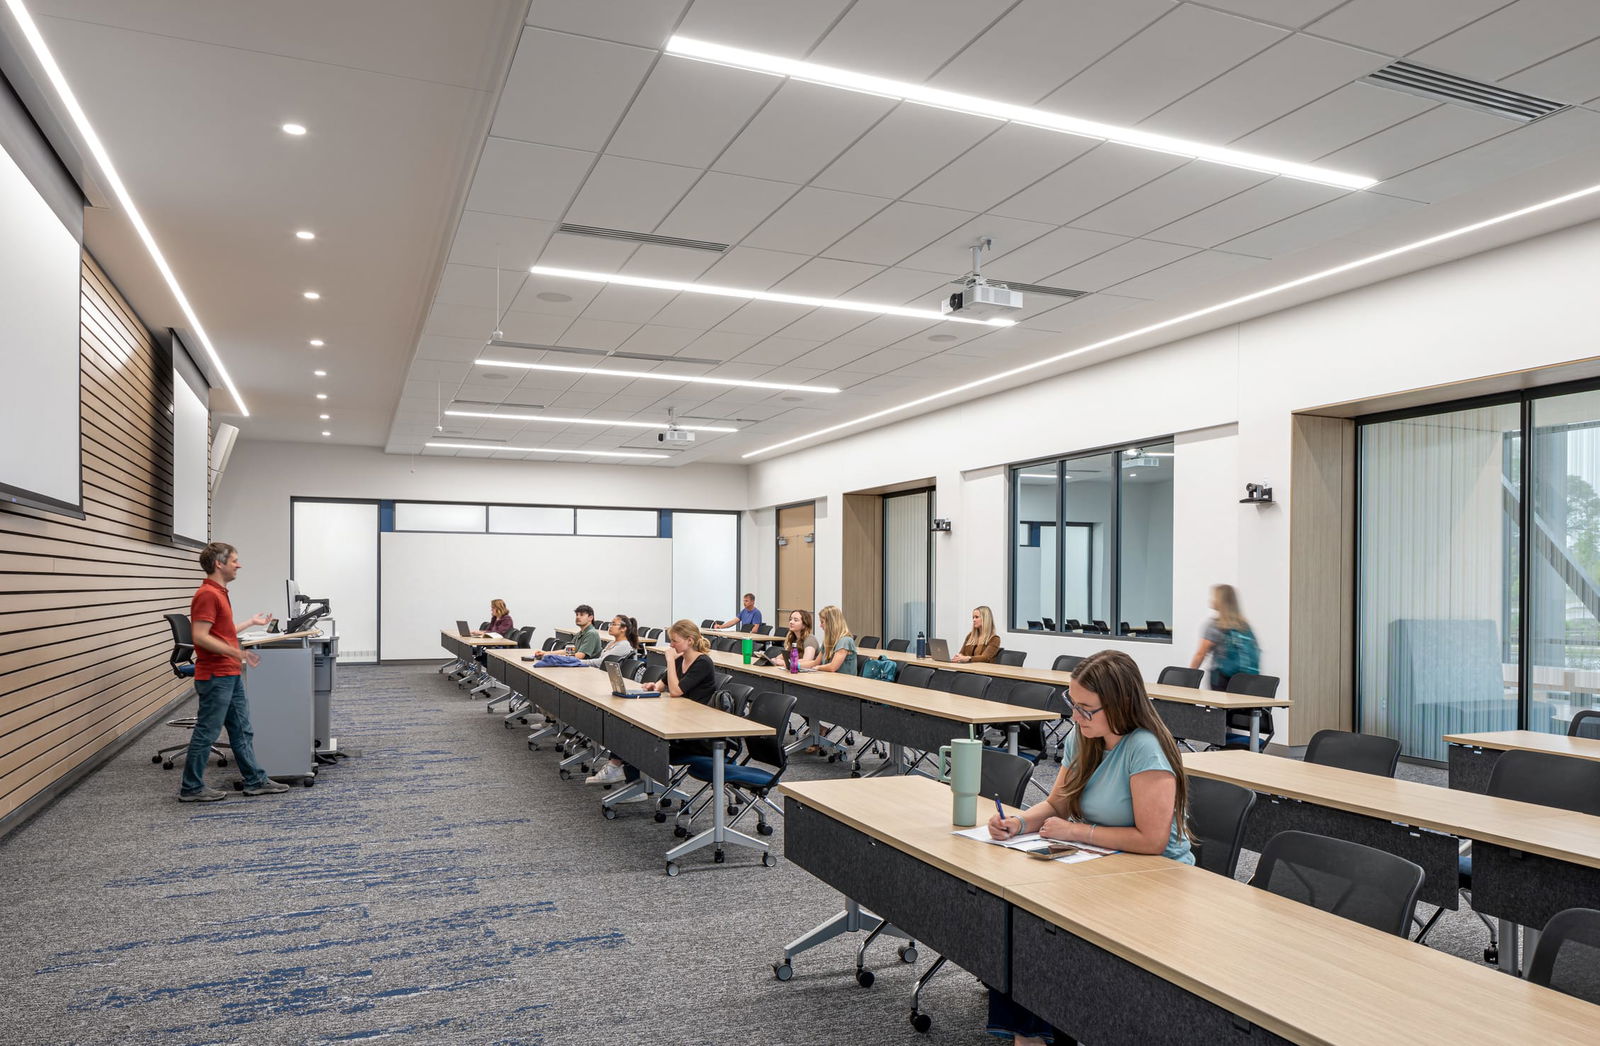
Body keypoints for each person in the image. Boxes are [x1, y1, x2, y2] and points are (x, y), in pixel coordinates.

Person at [984, 649, 1192, 1043]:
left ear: (1119, 704)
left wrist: (1078, 833)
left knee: (1053, 937)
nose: (1075, 718)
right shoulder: (1086, 737)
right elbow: (1059, 802)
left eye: (1085, 709)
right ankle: (1032, 1035)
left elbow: (1153, 840)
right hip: (1105, 863)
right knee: (1024, 922)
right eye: (1072, 705)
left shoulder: (1145, 748)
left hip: (1158, 880)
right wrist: (1020, 822)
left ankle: (1046, 1030)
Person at [179, 542, 292, 802]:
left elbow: (222, 633)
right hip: (216, 675)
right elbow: (200, 637)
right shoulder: (207, 594)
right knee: (207, 731)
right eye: (234, 560)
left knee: (242, 729)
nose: (238, 565)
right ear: (219, 563)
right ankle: (191, 787)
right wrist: (238, 653)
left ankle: (255, 780)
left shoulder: (219, 593)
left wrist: (251, 623)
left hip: (228, 673)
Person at [609, 620, 720, 801]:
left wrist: (669, 659)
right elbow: (662, 685)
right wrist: (653, 685)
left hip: (693, 731)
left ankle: (628, 777)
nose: (671, 645)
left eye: (674, 641)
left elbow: (676, 691)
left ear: (689, 641)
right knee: (630, 725)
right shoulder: (681, 660)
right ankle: (628, 777)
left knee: (638, 735)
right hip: (678, 720)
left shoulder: (702, 663)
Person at [584, 615, 644, 787]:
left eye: (614, 624)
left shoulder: (623, 645)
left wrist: (579, 661)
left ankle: (620, 768)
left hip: (615, 688)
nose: (610, 626)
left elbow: (602, 663)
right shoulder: (612, 644)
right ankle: (617, 766)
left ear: (624, 628)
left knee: (622, 725)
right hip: (608, 684)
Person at [1189, 583, 1259, 691]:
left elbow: (1201, 654)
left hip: (1223, 679)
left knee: (1220, 708)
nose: (1211, 600)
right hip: (1248, 680)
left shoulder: (1215, 625)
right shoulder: (1245, 626)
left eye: (1213, 597)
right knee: (1240, 707)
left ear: (1220, 601)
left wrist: (1189, 676)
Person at [804, 605, 858, 676]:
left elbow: (833, 667)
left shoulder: (845, 641)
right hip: (829, 679)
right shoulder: (827, 641)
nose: (820, 625)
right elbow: (815, 662)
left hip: (844, 683)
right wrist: (795, 665)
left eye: (822, 622)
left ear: (831, 623)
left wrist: (817, 668)